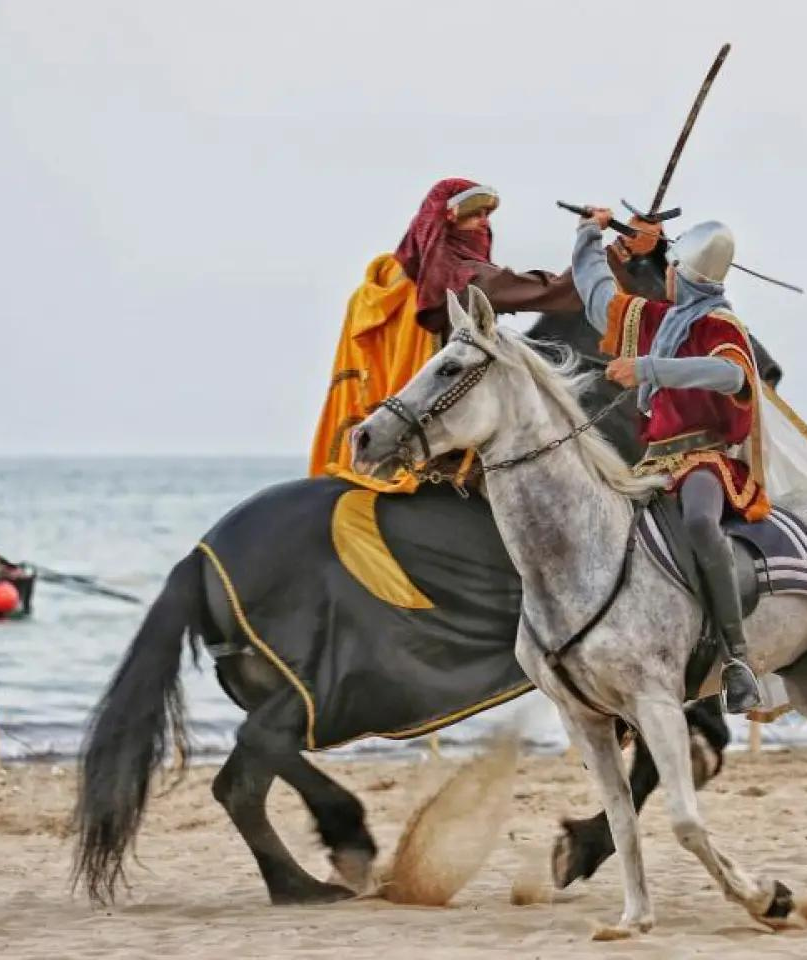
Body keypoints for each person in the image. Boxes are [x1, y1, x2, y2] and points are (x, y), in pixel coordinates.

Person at [311, 178, 641, 478]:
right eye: (474, 214)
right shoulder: (461, 278)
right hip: (432, 427)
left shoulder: (393, 279)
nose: (484, 223)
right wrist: (616, 250)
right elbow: (556, 291)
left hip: (387, 421)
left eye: (487, 214)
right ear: (445, 222)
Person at [570, 206, 765, 713]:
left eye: (674, 268)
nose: (667, 274)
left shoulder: (720, 325)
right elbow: (598, 296)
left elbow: (732, 377)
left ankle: (737, 658)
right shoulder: (659, 321)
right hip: (652, 464)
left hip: (703, 459)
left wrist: (651, 367)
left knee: (701, 522)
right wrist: (588, 235)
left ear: (691, 276)